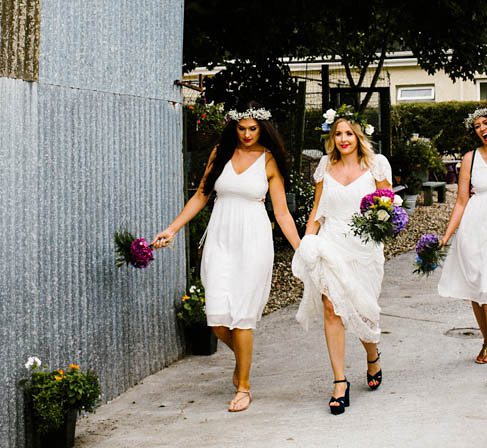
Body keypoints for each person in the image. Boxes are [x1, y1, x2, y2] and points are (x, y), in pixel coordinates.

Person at [151, 105, 301, 413]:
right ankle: (242, 358)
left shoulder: (269, 160)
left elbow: (282, 212)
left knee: (242, 318)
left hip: (254, 242)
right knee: (218, 319)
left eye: (253, 129)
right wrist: (172, 228)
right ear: (234, 127)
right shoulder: (221, 152)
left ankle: (244, 387)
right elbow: (201, 195)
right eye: (242, 128)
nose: (246, 135)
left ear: (262, 129)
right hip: (220, 239)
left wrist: (302, 248)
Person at [291, 112, 392, 414]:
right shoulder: (324, 166)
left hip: (365, 250)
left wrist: (382, 228)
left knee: (364, 311)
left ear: (359, 136)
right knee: (332, 310)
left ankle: (372, 357)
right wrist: (306, 244)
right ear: (331, 138)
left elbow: (388, 208)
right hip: (331, 244)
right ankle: (340, 382)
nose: (343, 139)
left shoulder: (376, 165)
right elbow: (317, 212)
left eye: (349, 133)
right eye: (338, 134)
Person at [437, 106, 487, 385]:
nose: (483, 129)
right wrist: (447, 235)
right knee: (476, 289)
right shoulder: (470, 158)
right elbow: (461, 201)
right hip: (473, 227)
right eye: (478, 126)